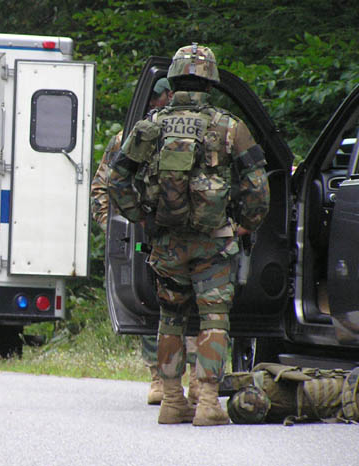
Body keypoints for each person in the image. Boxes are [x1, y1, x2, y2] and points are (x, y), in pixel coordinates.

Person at [108, 44, 269, 426]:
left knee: (170, 319)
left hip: (166, 240)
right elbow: (258, 186)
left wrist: (141, 217)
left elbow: (117, 179)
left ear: (175, 79)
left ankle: (172, 402)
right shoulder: (228, 126)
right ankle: (209, 404)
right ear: (211, 81)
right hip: (214, 241)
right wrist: (248, 223)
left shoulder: (151, 125)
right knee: (214, 320)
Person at [91, 78, 200, 406]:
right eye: (151, 99)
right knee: (157, 304)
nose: (155, 104)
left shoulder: (199, 133)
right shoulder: (129, 138)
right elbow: (103, 187)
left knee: (198, 305)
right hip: (149, 236)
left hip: (197, 234)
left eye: (159, 98)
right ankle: (159, 377)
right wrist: (121, 226)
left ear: (170, 95)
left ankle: (198, 378)